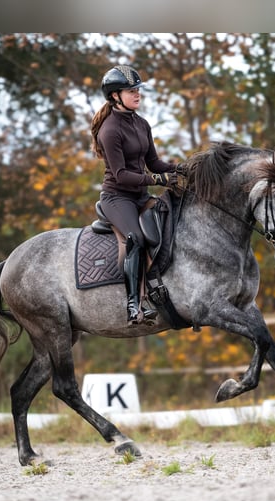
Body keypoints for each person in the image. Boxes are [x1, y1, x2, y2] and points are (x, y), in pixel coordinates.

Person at [90, 64, 178, 326]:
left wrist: (182, 168)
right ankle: (133, 304)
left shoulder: (142, 124)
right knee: (135, 238)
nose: (138, 94)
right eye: (131, 91)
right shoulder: (110, 130)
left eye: (138, 90)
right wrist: (157, 180)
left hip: (140, 196)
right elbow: (121, 176)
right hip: (117, 198)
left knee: (169, 223)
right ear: (116, 96)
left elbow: (154, 163)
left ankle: (156, 287)